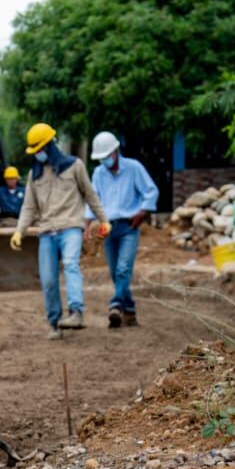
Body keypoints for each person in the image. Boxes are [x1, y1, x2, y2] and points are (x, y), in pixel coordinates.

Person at [10, 123, 108, 339]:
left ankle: (76, 312)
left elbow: (90, 195)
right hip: (47, 231)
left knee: (71, 264)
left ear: (49, 146)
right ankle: (55, 323)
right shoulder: (34, 175)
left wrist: (103, 220)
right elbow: (28, 206)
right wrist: (19, 231)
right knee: (48, 280)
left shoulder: (75, 166)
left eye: (39, 149)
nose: (37, 154)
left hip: (70, 227)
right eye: (34, 151)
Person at [88, 131, 158, 328]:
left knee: (123, 269)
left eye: (106, 156)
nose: (104, 160)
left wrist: (142, 211)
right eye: (101, 158)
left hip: (129, 226)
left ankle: (116, 304)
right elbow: (93, 199)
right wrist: (88, 222)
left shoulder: (134, 168)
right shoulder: (98, 173)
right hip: (108, 227)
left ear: (115, 151)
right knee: (115, 272)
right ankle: (130, 310)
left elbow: (151, 191)